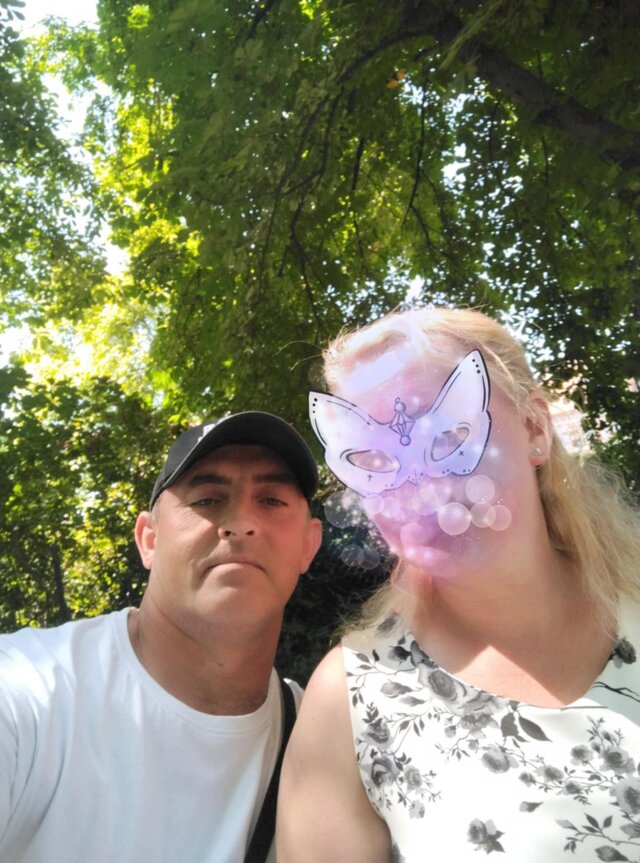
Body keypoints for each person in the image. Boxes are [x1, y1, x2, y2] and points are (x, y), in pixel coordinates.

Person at [277, 306, 640, 862]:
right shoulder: (352, 701)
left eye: (446, 437)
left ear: (534, 427)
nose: (419, 486)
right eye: (374, 459)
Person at [0, 411, 322, 863]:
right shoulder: (30, 690)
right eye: (207, 499)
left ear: (309, 545)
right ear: (148, 540)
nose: (241, 522)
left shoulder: (320, 740)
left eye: (271, 500)